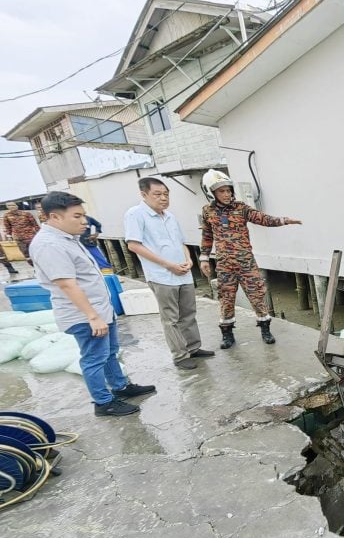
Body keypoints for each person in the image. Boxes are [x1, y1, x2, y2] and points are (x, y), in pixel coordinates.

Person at [30, 191, 156, 417]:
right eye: (77, 216)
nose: (84, 221)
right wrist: (92, 316)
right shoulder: (48, 245)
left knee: (110, 352)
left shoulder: (67, 238)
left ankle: (120, 387)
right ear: (55, 217)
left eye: (84, 215)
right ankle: (103, 402)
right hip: (84, 314)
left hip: (100, 309)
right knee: (94, 358)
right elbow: (67, 284)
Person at [199, 169, 302, 349]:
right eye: (221, 191)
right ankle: (227, 334)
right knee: (226, 298)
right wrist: (204, 257)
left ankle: (265, 329)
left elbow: (263, 218)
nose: (226, 194)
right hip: (225, 265)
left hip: (246, 263)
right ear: (211, 192)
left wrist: (284, 220)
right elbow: (207, 236)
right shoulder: (208, 212)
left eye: (228, 190)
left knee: (257, 296)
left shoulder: (241, 208)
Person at [125, 177, 213, 370]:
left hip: (183, 273)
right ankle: (180, 356)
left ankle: (193, 347)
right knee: (171, 318)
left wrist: (189, 260)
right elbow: (134, 245)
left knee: (188, 313)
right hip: (162, 276)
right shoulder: (136, 214)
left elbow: (181, 243)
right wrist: (167, 264)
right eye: (157, 194)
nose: (163, 198)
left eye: (166, 194)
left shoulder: (169, 216)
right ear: (144, 194)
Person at [3, 201, 40, 266]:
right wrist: (9, 236)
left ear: (17, 206)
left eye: (13, 205)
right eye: (9, 206)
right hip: (19, 238)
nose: (11, 207)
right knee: (26, 255)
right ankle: (34, 268)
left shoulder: (26, 214)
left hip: (31, 237)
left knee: (36, 252)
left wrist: (39, 234)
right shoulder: (6, 215)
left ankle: (41, 266)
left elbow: (35, 225)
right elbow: (8, 227)